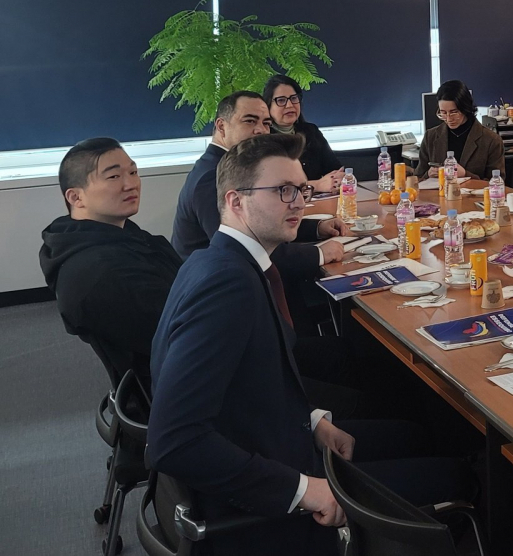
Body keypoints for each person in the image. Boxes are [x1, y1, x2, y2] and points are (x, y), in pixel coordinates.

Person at [149, 135, 472, 555]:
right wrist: (305, 491)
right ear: (235, 201)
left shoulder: (222, 261)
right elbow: (173, 442)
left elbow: (251, 380)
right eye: (283, 190)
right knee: (459, 478)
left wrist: (314, 419)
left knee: (415, 434)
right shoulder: (228, 286)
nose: (300, 202)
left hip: (276, 441)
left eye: (302, 189)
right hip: (263, 509)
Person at [39, 138, 182, 387]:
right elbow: (182, 334)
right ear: (76, 197)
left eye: (133, 172)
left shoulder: (120, 236)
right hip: (179, 389)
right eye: (114, 177)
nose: (131, 184)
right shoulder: (101, 272)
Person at [171, 91, 347, 274]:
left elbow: (263, 220)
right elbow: (247, 246)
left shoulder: (230, 164)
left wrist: (317, 228)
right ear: (221, 126)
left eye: (266, 123)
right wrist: (318, 253)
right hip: (224, 281)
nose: (261, 130)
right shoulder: (211, 176)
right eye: (250, 121)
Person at [263, 74, 343, 193]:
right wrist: (316, 185)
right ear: (268, 105)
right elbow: (271, 187)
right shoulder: (263, 139)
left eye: (294, 98)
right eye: (281, 100)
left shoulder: (311, 131)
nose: (290, 105)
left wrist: (339, 179)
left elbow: (335, 169)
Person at [413, 80, 504, 180]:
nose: (448, 119)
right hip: (439, 194)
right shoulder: (430, 136)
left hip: (473, 195)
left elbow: (497, 184)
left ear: (466, 108)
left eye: (454, 112)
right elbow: (417, 179)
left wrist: (466, 174)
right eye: (443, 113)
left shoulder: (491, 140)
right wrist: (428, 174)